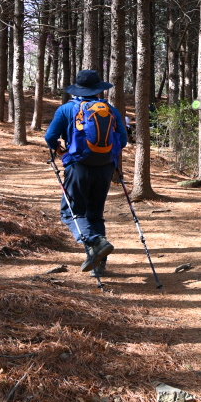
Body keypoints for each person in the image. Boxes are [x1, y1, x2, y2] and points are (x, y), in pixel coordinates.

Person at [45, 70, 128, 277]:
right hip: (105, 168)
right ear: (98, 89)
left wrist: (59, 150)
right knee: (95, 214)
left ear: (77, 89)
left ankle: (95, 242)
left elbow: (50, 137)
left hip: (78, 166)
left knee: (70, 212)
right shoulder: (110, 110)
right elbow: (123, 140)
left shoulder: (66, 109)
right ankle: (99, 264)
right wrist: (108, 156)